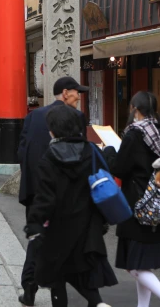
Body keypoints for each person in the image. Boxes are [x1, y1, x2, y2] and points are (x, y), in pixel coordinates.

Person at [26, 104, 116, 307]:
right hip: (88, 224)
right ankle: (98, 304)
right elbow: (103, 179)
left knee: (58, 276)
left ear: (53, 130)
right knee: (82, 272)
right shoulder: (90, 150)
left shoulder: (49, 157)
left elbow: (45, 198)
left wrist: (34, 223)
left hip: (59, 228)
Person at [103, 92, 160, 307]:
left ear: (135, 109)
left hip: (138, 206)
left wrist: (109, 151)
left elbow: (119, 168)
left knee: (134, 265)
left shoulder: (135, 134)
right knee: (142, 263)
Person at [17, 76, 88, 306]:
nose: (79, 96)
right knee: (61, 243)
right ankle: (65, 295)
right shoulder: (76, 117)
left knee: (37, 241)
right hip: (64, 194)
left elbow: (22, 151)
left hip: (36, 192)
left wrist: (31, 185)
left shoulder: (34, 115)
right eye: (77, 92)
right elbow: (80, 157)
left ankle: (29, 288)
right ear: (66, 93)